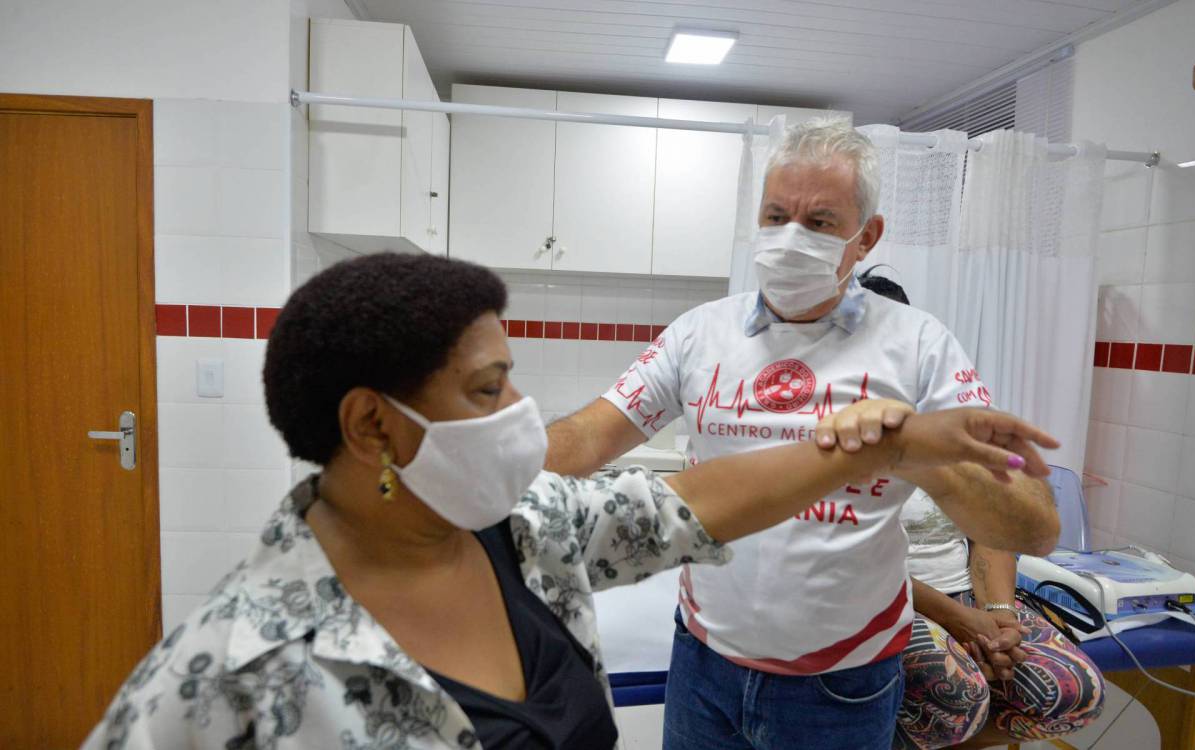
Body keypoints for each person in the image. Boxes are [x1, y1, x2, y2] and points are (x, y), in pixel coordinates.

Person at [82, 252, 1058, 750]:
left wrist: (887, 439)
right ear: (374, 428)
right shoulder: (230, 667)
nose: (520, 414)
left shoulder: (529, 531)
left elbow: (702, 499)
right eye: (487, 389)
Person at [544, 119, 1062, 750]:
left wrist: (907, 447)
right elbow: (586, 439)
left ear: (865, 236)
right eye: (776, 215)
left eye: (819, 222)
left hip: (841, 684)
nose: (790, 239)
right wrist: (474, 464)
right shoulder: (699, 334)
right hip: (704, 662)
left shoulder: (919, 345)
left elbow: (1032, 527)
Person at [856, 270, 1105, 750]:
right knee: (961, 696)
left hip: (969, 599)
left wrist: (1001, 615)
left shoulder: (951, 427)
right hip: (889, 605)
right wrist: (958, 620)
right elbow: (851, 564)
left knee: (1076, 692)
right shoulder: (835, 440)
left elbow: (992, 531)